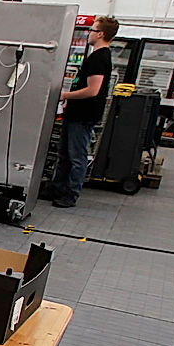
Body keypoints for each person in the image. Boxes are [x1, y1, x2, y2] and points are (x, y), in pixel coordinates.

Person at [49, 15, 117, 208]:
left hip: (83, 116)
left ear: (101, 34)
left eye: (93, 30)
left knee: (76, 156)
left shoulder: (99, 58)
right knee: (64, 154)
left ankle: (71, 194)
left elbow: (93, 90)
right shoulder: (95, 56)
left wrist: (66, 95)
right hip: (76, 114)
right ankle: (57, 188)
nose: (89, 34)